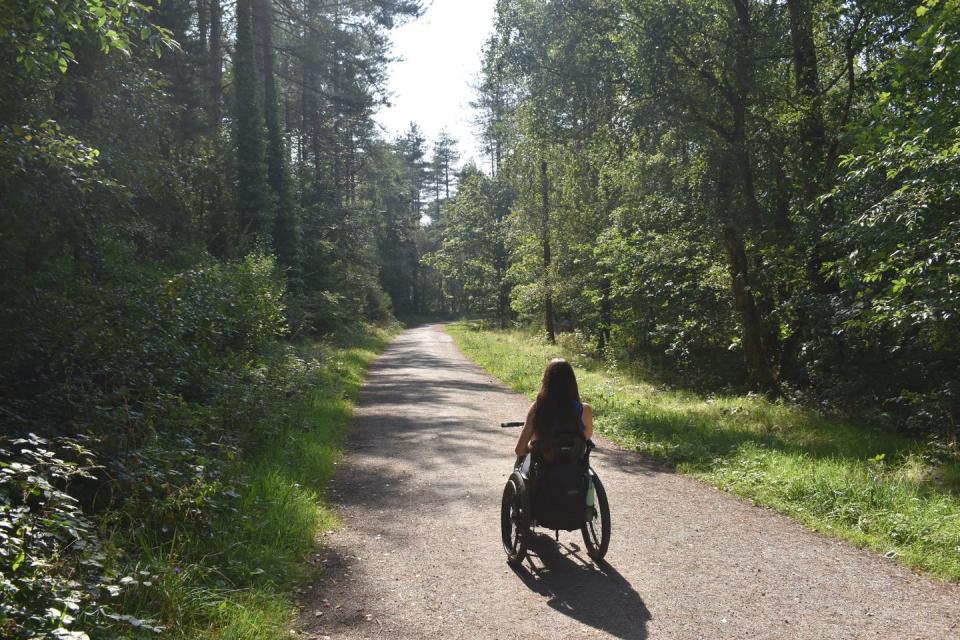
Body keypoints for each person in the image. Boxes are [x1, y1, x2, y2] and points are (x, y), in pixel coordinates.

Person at [514, 358, 593, 460]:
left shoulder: (538, 407)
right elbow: (585, 437)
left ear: (547, 381)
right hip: (574, 467)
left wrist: (533, 445)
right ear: (572, 382)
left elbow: (519, 450)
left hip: (544, 468)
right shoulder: (585, 409)